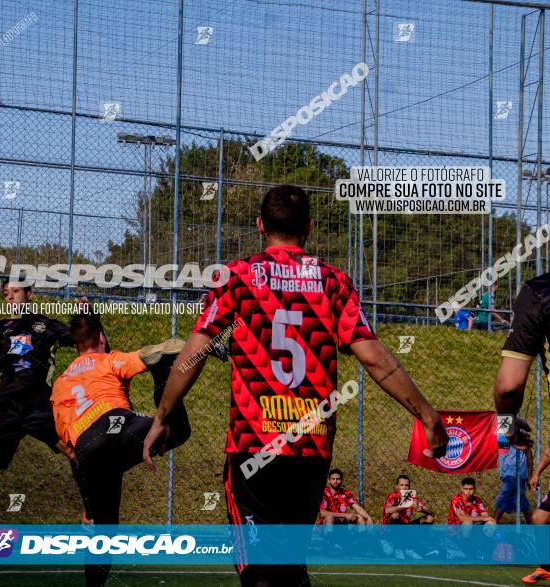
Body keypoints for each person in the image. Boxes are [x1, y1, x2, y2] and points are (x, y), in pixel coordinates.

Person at [143, 184, 448, 587]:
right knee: (289, 566)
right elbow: (375, 359)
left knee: (261, 575)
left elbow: (193, 356)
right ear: (309, 226)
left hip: (255, 444)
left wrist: (162, 416)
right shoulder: (333, 281)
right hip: (311, 445)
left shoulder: (236, 277)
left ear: (259, 226)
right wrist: (427, 414)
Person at [52, 310, 200, 587]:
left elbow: (66, 445)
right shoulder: (108, 359)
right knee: (178, 430)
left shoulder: (60, 383)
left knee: (104, 533)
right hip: (117, 425)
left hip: (86, 448)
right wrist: (189, 347)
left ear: (75, 346)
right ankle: (164, 379)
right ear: (101, 337)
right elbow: (148, 354)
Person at [0, 280, 91, 573]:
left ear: (29, 294)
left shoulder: (47, 325)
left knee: (73, 452)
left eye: (16, 291)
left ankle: (90, 517)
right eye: (6, 293)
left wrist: (85, 315)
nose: (10, 296)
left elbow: (84, 340)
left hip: (40, 405)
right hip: (5, 408)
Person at [492, 272, 550, 583]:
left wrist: (507, 425)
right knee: (538, 517)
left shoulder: (540, 290)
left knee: (536, 516)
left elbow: (507, 388)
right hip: (512, 480)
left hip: (514, 481)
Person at [494, 428, 533, 524]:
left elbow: (529, 456)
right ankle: (536, 528)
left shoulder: (521, 435)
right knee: (521, 501)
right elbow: (499, 454)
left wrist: (530, 476)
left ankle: (490, 528)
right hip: (507, 475)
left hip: (517, 474)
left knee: (502, 501)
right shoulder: (499, 436)